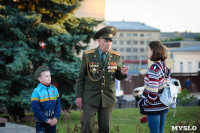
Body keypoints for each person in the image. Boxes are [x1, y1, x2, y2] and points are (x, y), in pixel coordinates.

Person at [75, 26, 129, 133]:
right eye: (106, 41)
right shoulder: (88, 55)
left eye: (110, 41)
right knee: (87, 127)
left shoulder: (116, 56)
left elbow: (117, 75)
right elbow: (81, 77)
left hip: (107, 97)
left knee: (105, 128)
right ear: (99, 41)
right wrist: (79, 97)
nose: (108, 44)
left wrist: (122, 73)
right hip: (90, 97)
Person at [138, 41, 170, 133]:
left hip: (154, 107)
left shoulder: (153, 70)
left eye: (148, 50)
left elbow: (153, 93)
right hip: (163, 106)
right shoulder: (164, 67)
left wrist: (143, 103)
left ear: (154, 51)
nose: (147, 53)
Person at [31, 64, 61, 133]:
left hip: (53, 122)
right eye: (46, 76)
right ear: (39, 78)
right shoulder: (36, 92)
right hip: (41, 122)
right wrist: (46, 120)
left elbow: (58, 105)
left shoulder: (54, 90)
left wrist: (55, 117)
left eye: (50, 76)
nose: (49, 78)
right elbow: (36, 109)